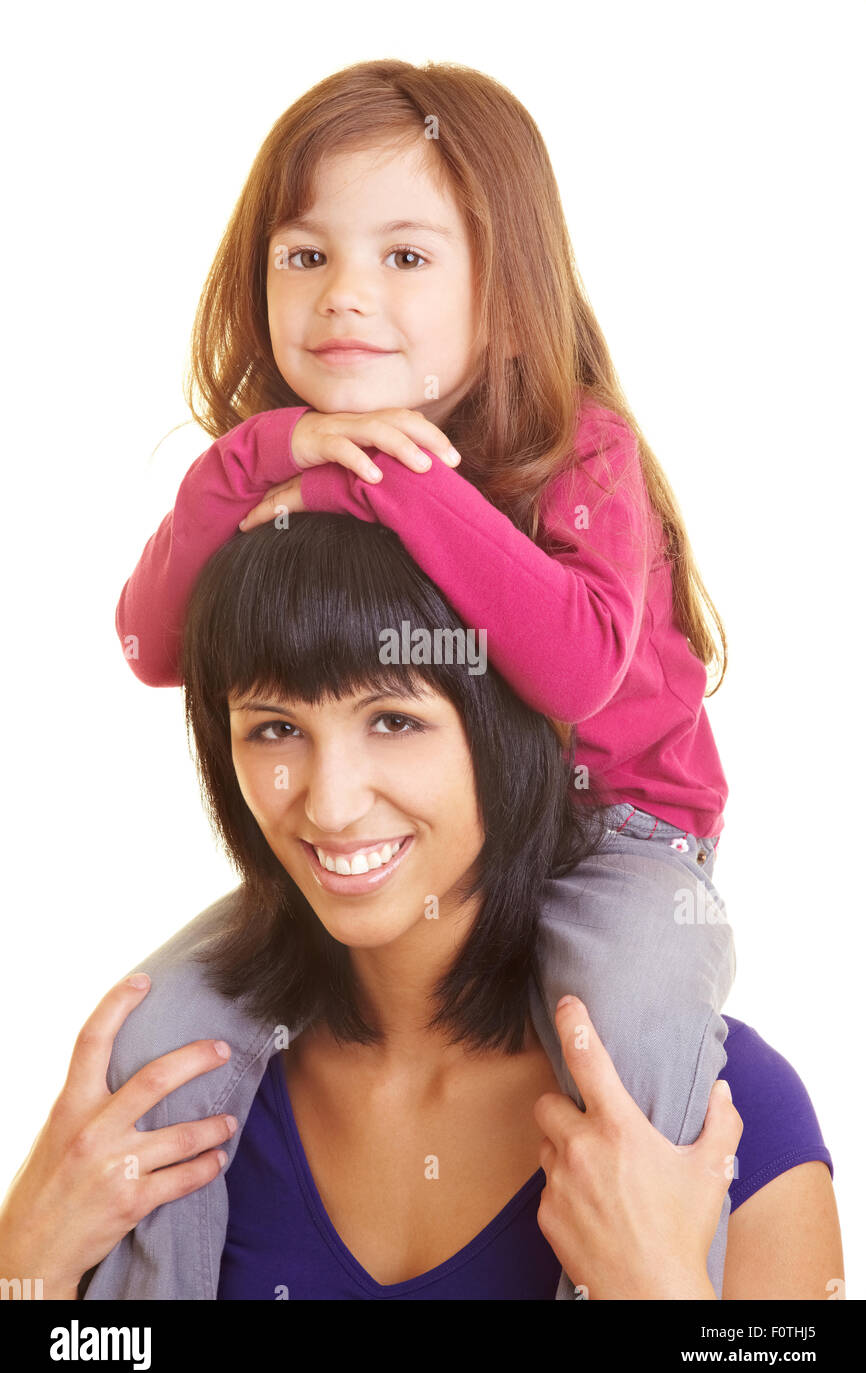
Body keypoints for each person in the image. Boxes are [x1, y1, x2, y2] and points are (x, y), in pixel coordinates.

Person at [118, 59, 740, 1277]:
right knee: (161, 1023)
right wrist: (258, 458)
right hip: (413, 858)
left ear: (503, 293)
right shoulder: (280, 455)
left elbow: (564, 672)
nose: (345, 295)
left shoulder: (579, 450)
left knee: (630, 1009)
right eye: (305, 256)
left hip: (619, 836)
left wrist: (381, 476)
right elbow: (153, 642)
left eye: (405, 257)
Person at [0, 514, 840, 1300]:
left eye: (395, 721)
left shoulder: (725, 1127)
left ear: (513, 732)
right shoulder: (161, 1113)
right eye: (274, 729)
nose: (328, 805)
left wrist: (659, 1284)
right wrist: (25, 1258)